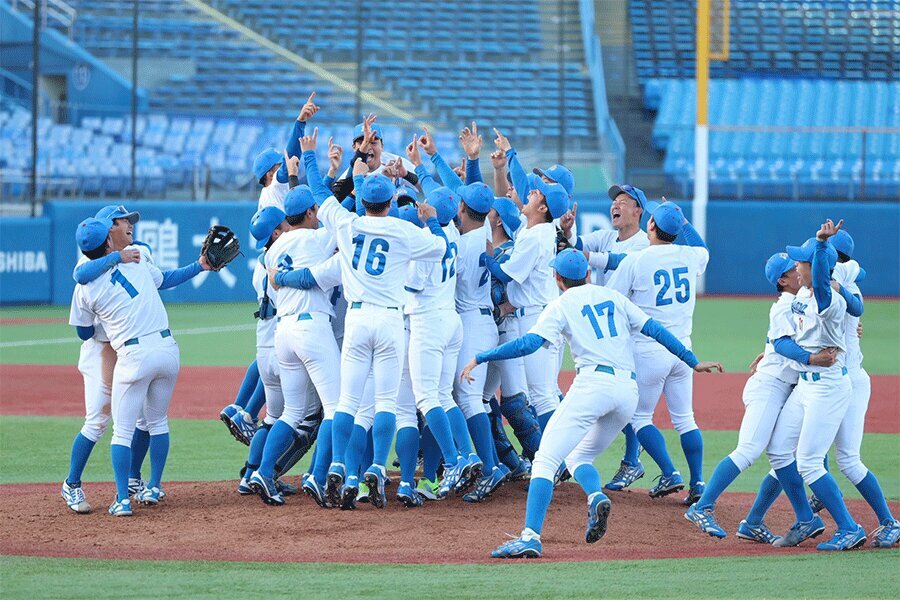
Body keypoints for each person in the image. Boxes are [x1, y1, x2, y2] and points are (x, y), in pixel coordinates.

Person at [459, 249, 722, 558]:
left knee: (544, 459)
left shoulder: (560, 305)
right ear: (587, 274)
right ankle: (595, 496)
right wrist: (692, 362)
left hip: (593, 385)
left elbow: (529, 344)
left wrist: (482, 356)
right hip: (627, 390)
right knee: (577, 456)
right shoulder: (613, 297)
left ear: (557, 278)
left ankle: (530, 535)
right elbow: (655, 329)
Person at [683, 252, 837, 540]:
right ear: (783, 280)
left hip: (787, 386)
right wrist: (809, 358)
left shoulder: (800, 300)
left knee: (785, 453)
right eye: (792, 269)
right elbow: (783, 346)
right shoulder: (783, 307)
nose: (798, 270)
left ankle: (768, 521)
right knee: (750, 449)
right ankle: (702, 507)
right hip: (769, 386)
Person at [68, 215, 211, 515]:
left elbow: (163, 279)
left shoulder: (138, 254)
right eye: (121, 222)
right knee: (99, 422)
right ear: (108, 235)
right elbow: (82, 281)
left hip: (132, 352)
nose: (129, 225)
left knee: (137, 425)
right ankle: (73, 484)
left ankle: (131, 486)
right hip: (111, 353)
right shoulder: (90, 271)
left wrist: (200, 266)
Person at [605, 201, 710, 505]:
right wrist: (683, 222)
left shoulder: (637, 261)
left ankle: (669, 472)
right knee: (686, 419)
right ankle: (698, 482)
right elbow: (702, 248)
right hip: (683, 350)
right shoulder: (691, 256)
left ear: (650, 226)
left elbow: (611, 301)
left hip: (648, 349)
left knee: (639, 417)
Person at [561, 183, 651, 491]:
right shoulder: (607, 236)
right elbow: (578, 246)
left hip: (632, 327)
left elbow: (617, 262)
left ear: (639, 210)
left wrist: (586, 255)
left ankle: (632, 461)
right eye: (615, 201)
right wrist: (569, 232)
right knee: (619, 396)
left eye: (625, 201)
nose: (617, 205)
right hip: (608, 329)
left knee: (631, 399)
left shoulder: (643, 244)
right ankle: (630, 459)